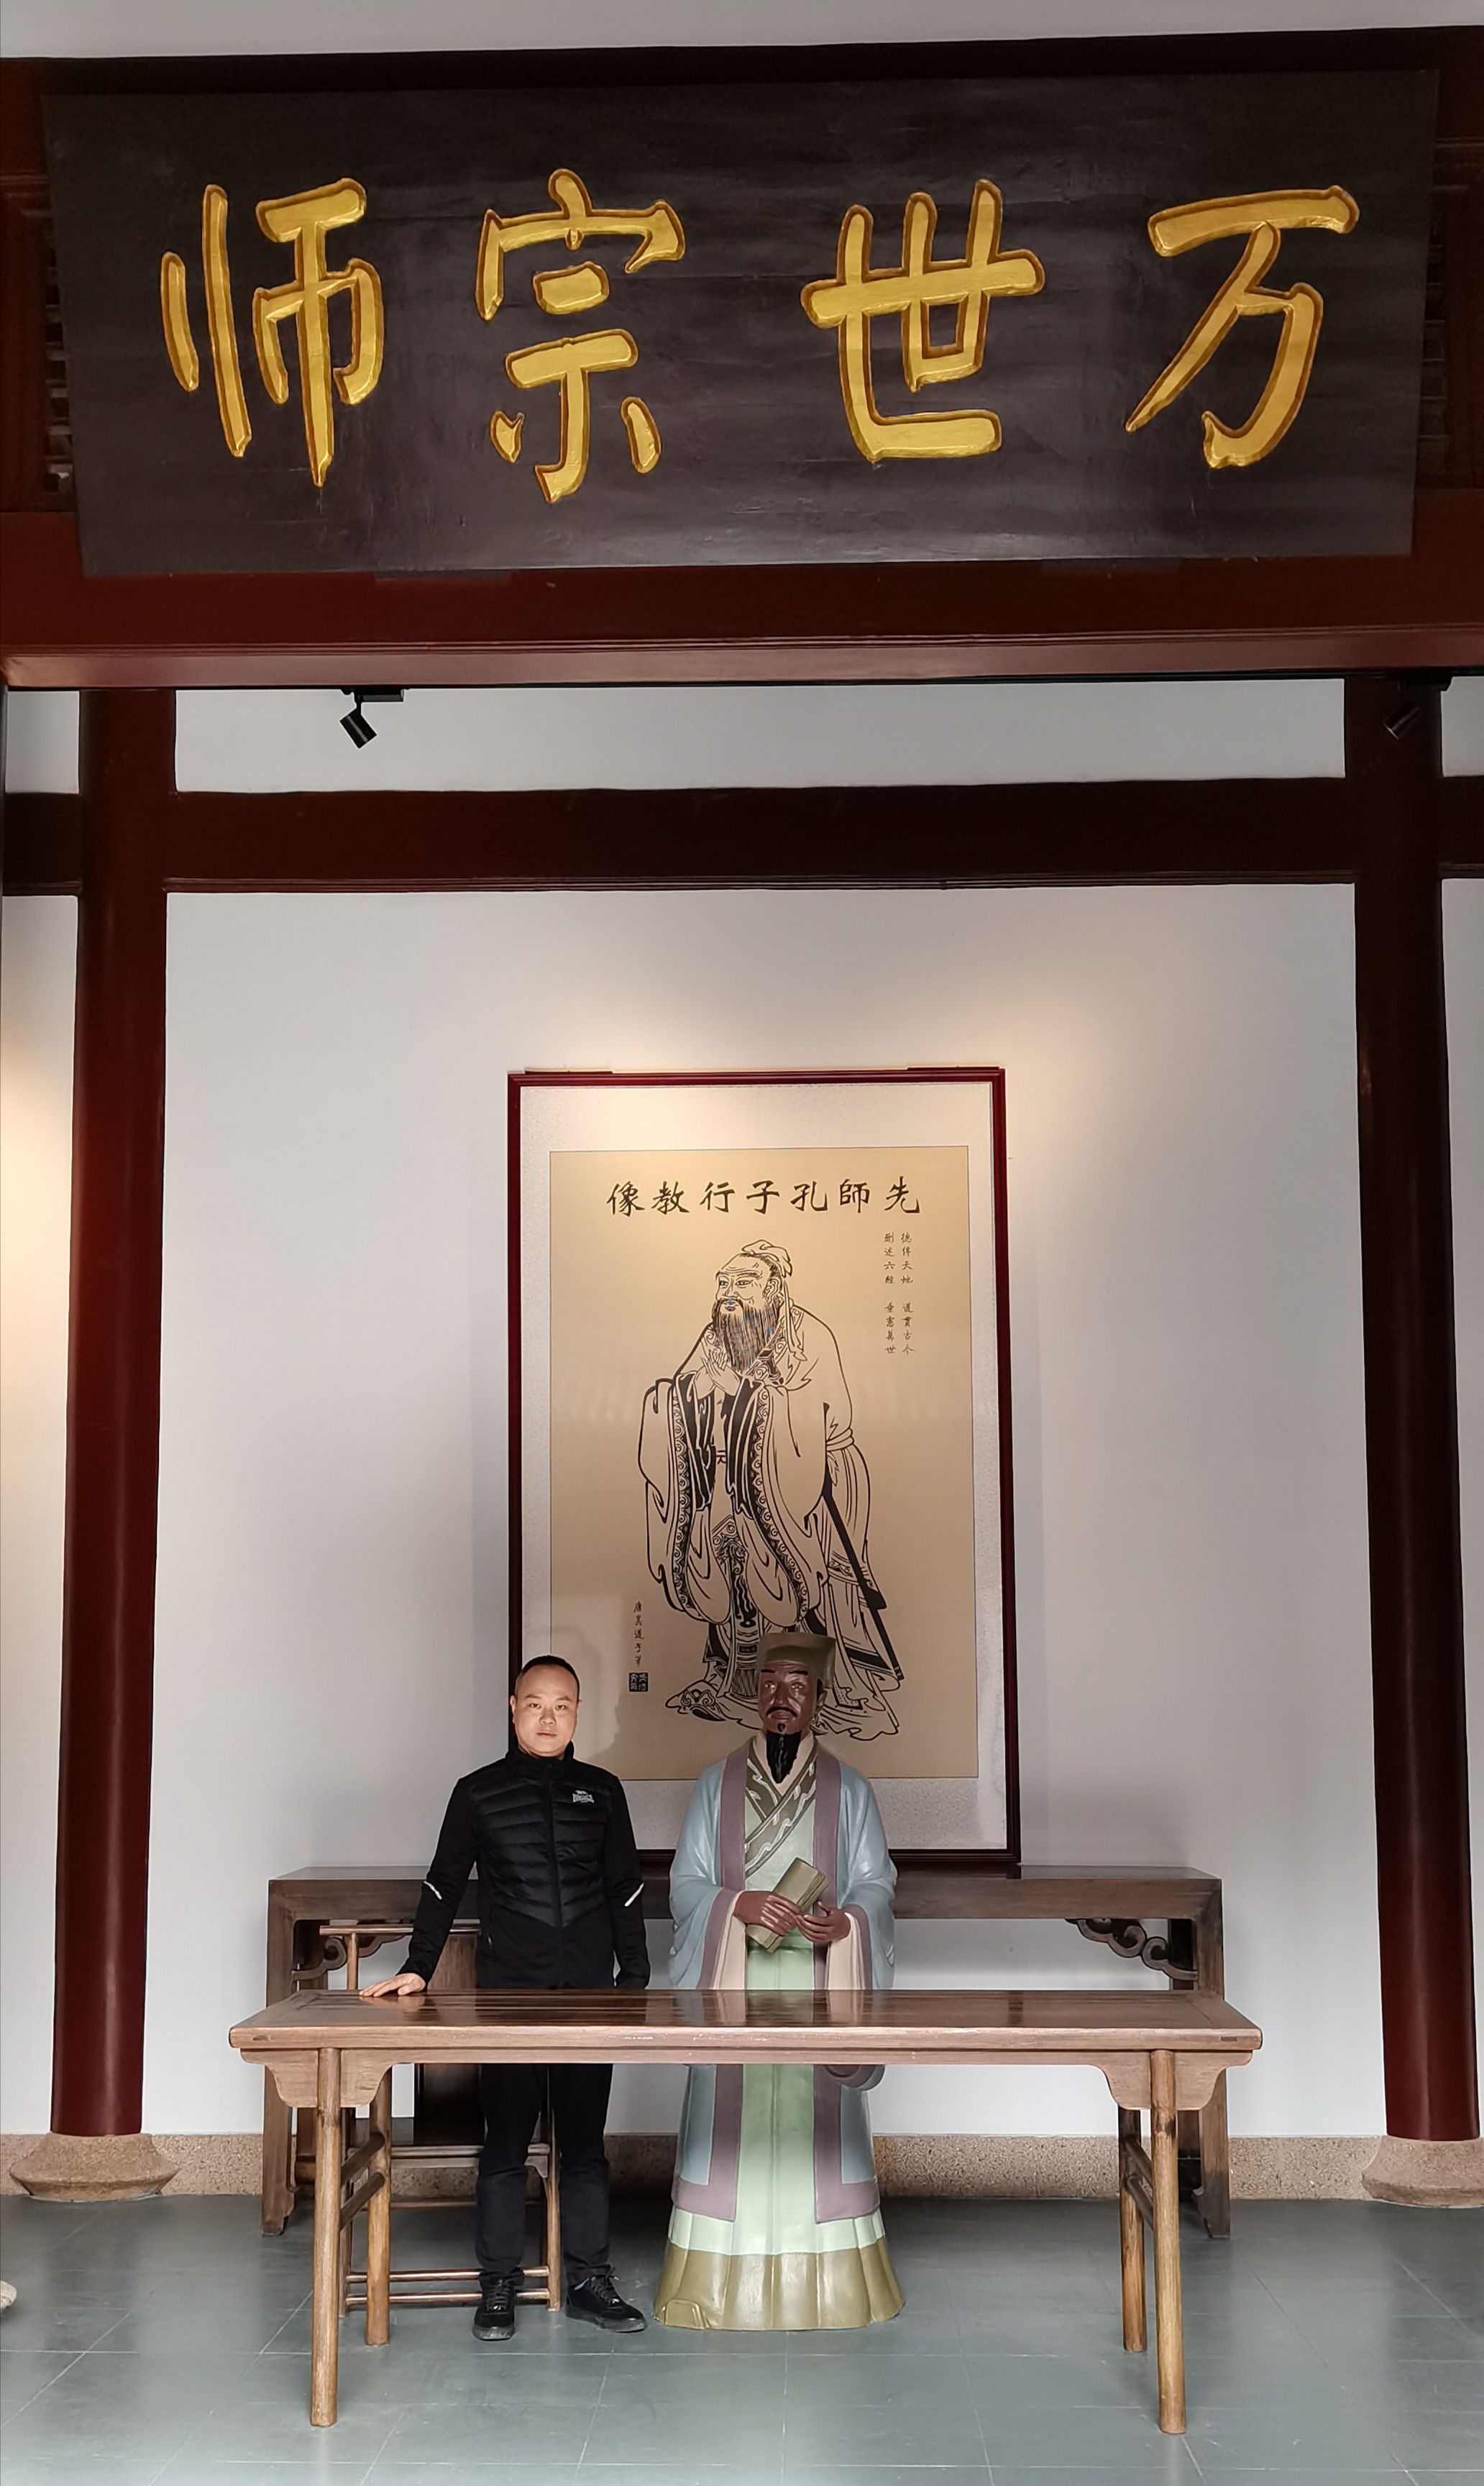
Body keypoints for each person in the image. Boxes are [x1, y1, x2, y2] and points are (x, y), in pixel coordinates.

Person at [363, 1655, 650, 2341]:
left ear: (577, 1713)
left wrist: (634, 1981)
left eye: (562, 1705)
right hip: (509, 1995)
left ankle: (589, 2278)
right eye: (536, 1703)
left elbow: (625, 1888)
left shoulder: (603, 1791)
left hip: (588, 1996)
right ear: (513, 1707)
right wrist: (418, 1966)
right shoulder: (477, 1793)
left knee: (584, 2142)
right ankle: (498, 2283)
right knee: (506, 2139)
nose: (549, 1717)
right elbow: (442, 1883)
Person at [653, 1631, 903, 2331]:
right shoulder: (716, 1784)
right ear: (754, 1693)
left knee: (818, 2126)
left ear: (819, 1697)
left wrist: (847, 1922)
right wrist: (737, 1905)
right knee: (727, 2125)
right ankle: (712, 2284)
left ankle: (834, 2281)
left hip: (821, 1983)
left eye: (797, 1686)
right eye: (769, 1685)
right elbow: (686, 1884)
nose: (781, 1698)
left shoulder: (851, 1788)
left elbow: (877, 1883)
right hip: (734, 1980)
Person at [640, 1236, 903, 1738]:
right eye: (724, 1282)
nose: (729, 1293)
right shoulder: (715, 1338)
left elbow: (818, 1415)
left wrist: (765, 1394)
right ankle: (734, 1685)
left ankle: (838, 1694)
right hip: (732, 1483)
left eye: (744, 1283)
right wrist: (687, 1397)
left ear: (775, 1290)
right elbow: (684, 1392)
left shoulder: (808, 1337)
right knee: (734, 1575)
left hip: (813, 1480)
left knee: (818, 1589)